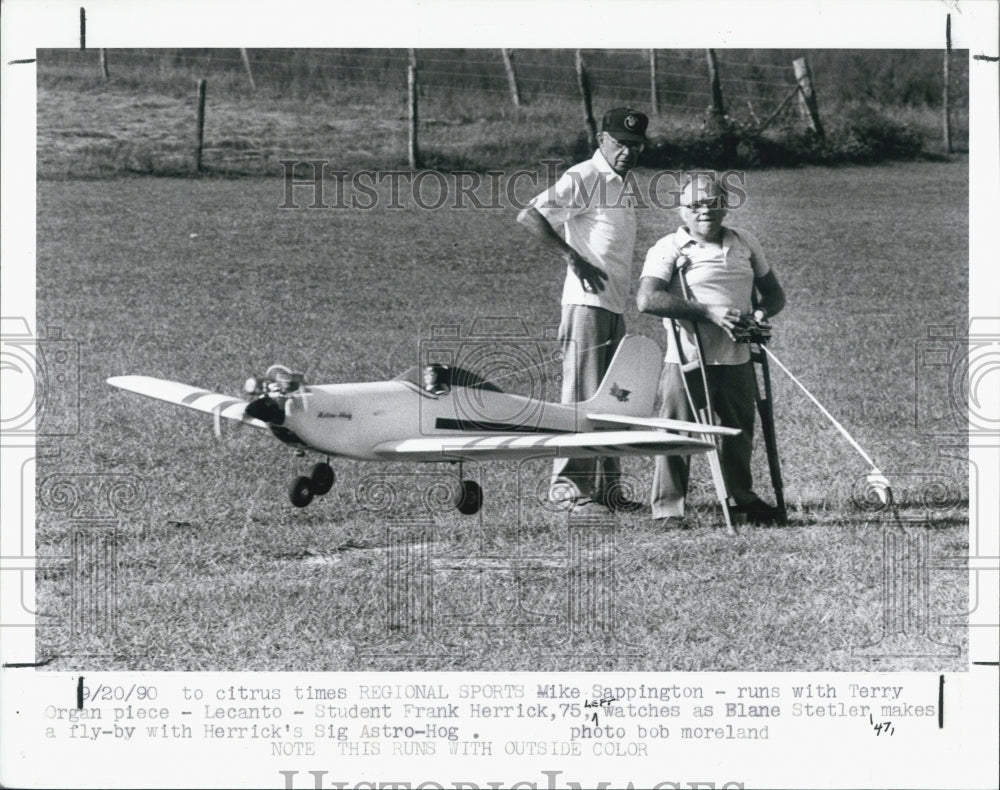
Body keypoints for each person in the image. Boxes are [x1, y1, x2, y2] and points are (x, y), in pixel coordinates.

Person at [517, 108, 649, 512]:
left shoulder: (623, 182)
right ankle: (568, 491)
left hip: (613, 304)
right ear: (602, 140)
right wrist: (571, 258)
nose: (627, 151)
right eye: (620, 144)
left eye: (635, 145)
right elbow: (530, 215)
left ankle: (609, 492)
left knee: (611, 398)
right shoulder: (585, 176)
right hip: (586, 304)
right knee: (581, 397)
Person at [636, 174, 786, 526]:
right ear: (681, 211)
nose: (705, 211)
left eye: (713, 202)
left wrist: (760, 315)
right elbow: (647, 299)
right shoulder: (668, 247)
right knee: (677, 431)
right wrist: (707, 312)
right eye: (695, 205)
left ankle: (741, 499)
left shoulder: (745, 242)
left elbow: (775, 295)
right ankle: (668, 508)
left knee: (738, 429)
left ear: (725, 205)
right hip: (688, 357)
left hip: (737, 354)